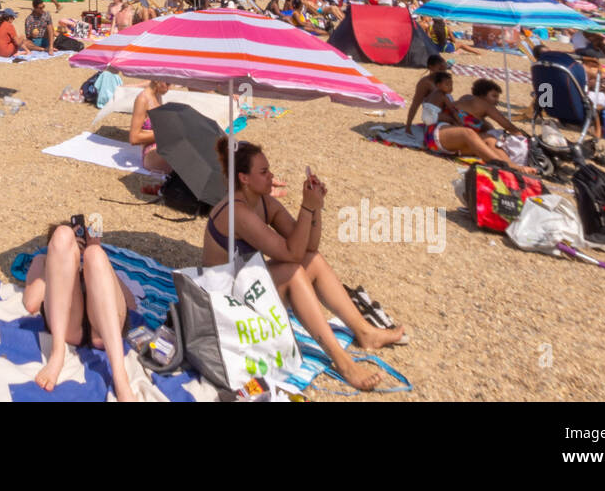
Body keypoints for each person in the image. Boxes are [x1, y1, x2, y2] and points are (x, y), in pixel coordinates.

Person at [201, 140, 407, 391]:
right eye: (264, 172)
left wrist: (315, 207)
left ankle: (365, 332)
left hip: (245, 284)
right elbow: (291, 253)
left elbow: (309, 247)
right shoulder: (238, 212)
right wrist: (307, 206)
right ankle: (343, 363)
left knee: (313, 261)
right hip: (225, 300)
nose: (271, 176)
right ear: (244, 178)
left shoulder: (265, 203)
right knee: (293, 271)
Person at [23, 218, 137, 401]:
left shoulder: (95, 262)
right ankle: (57, 353)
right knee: (63, 234)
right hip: (68, 326)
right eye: (72, 241)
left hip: (104, 329)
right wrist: (58, 267)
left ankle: (120, 376)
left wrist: (95, 254)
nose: (76, 243)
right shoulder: (42, 259)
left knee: (95, 254)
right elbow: (31, 303)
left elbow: (131, 304)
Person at [421, 74, 534, 172]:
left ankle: (510, 165)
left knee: (490, 139)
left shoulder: (469, 101)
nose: (497, 101)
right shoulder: (483, 104)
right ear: (482, 95)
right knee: (468, 132)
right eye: (493, 96)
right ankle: (507, 165)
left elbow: (486, 128)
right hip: (436, 134)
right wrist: (525, 140)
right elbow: (509, 126)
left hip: (451, 144)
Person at [129, 81, 173, 173]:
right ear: (157, 80)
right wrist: (164, 134)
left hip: (163, 146)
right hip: (151, 151)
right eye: (167, 84)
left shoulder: (157, 95)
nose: (169, 88)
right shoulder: (143, 99)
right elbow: (134, 138)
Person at [405, 54, 449, 135]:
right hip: (435, 117)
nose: (443, 72)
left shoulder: (444, 81)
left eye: (445, 70)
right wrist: (408, 127)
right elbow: (415, 105)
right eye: (440, 69)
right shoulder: (425, 83)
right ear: (431, 67)